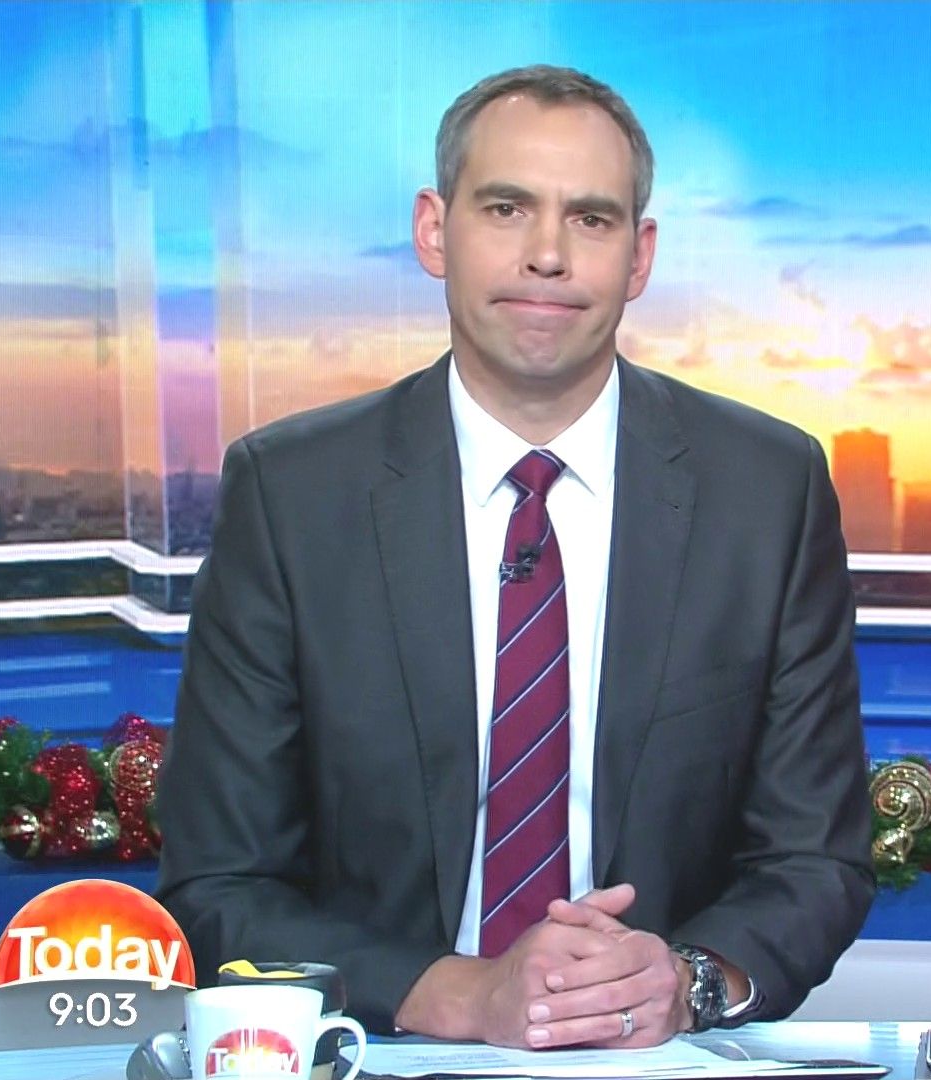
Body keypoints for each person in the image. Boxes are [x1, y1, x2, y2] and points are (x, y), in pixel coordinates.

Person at [154, 65, 874, 1051]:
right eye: (505, 209)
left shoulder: (767, 490)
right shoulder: (291, 496)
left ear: (640, 256)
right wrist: (461, 994)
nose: (547, 255)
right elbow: (219, 883)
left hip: (657, 1058)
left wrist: (688, 980)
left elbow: (815, 860)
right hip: (384, 1049)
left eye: (591, 219)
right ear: (433, 231)